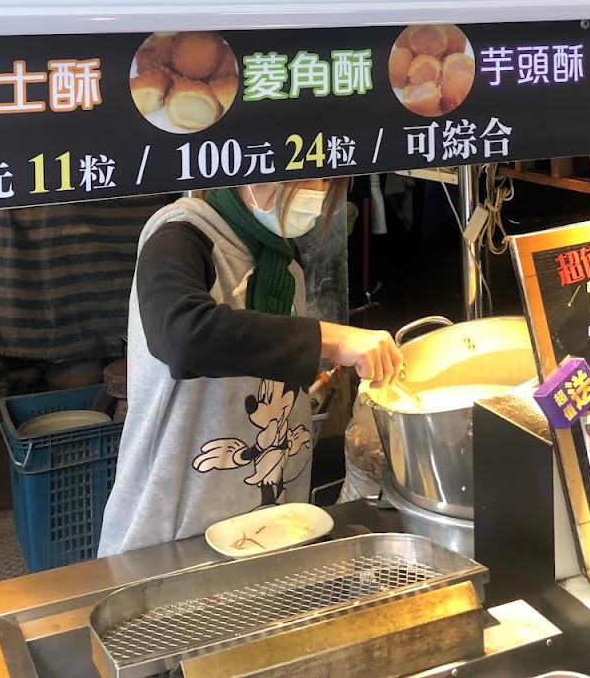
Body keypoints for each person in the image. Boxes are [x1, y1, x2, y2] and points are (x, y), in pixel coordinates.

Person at [98, 179, 401, 555]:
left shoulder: (286, 266)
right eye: (308, 173)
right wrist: (330, 338)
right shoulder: (180, 235)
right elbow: (181, 336)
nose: (319, 189)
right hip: (169, 538)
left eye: (327, 179)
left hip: (268, 529)